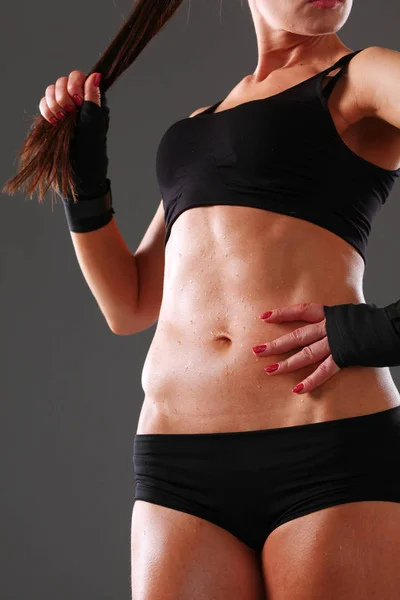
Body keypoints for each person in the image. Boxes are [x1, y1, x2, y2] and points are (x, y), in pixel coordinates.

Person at [35, 1, 400, 598]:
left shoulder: (362, 78)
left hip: (327, 449)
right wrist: (85, 183)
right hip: (178, 466)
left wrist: (386, 330)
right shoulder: (202, 122)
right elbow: (129, 304)